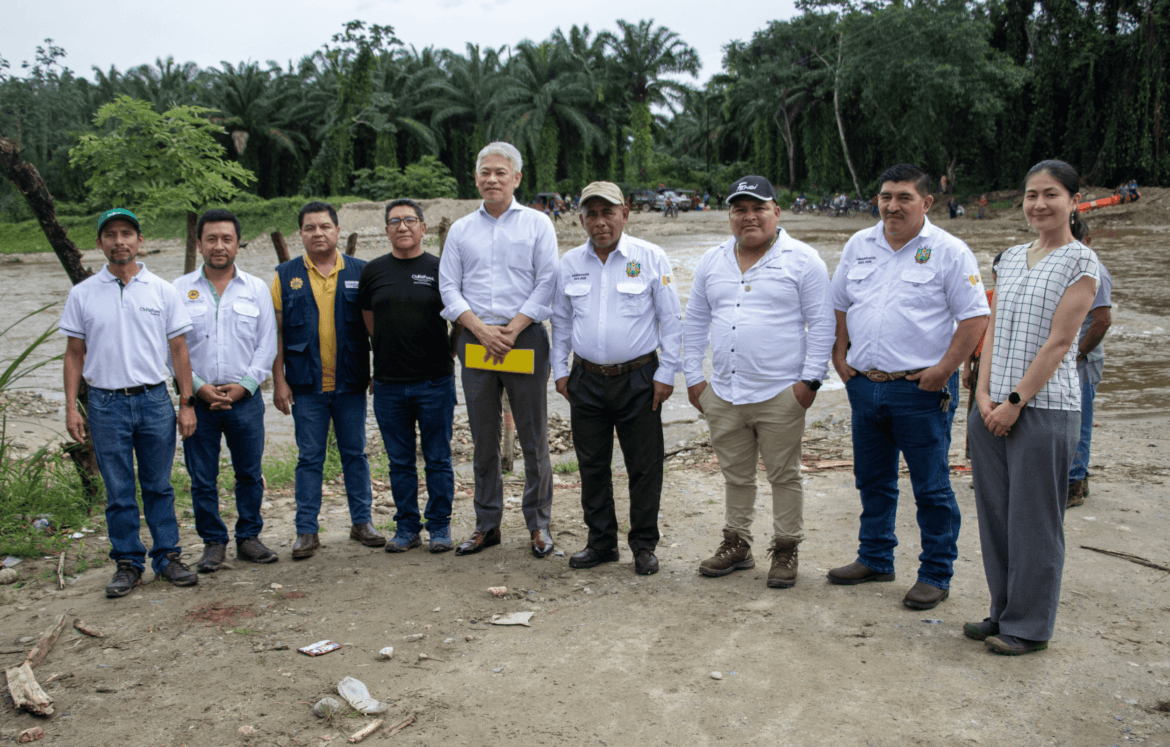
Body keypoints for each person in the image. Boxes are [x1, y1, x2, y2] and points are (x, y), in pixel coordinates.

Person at [828, 164, 989, 610]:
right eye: (885, 197)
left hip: (920, 392)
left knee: (932, 487)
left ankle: (936, 573)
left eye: (903, 197)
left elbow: (975, 317)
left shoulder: (949, 251)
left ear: (926, 202)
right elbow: (840, 304)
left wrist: (944, 370)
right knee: (872, 481)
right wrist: (840, 355)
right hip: (865, 387)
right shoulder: (860, 244)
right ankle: (875, 557)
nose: (892, 206)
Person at [967, 159, 1100, 656]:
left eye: (1051, 194)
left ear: (1072, 201)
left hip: (1044, 410)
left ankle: (1029, 626)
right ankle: (1003, 611)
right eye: (1031, 195)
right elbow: (993, 332)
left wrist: (1015, 402)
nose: (1039, 204)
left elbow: (1060, 344)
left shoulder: (1081, 263)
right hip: (989, 405)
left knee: (1036, 520)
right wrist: (982, 395)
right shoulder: (1009, 257)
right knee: (997, 515)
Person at [684, 175, 834, 588]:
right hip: (724, 391)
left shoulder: (803, 260)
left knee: (784, 475)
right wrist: (696, 379)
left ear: (776, 212)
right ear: (730, 215)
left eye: (758, 208)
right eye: (739, 209)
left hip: (780, 393)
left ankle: (786, 548)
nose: (749, 217)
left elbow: (822, 325)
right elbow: (695, 322)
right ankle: (737, 543)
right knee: (735, 474)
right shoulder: (712, 261)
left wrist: (809, 384)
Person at [60, 208, 199, 597]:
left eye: (126, 233)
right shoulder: (83, 293)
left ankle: (167, 556)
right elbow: (74, 353)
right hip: (105, 404)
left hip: (154, 399)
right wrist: (72, 407)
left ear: (139, 241)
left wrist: (185, 402)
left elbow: (179, 349)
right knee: (118, 488)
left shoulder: (161, 290)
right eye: (110, 234)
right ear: (99, 243)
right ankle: (127, 562)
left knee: (158, 485)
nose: (119, 241)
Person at [551, 181, 683, 576]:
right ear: (581, 220)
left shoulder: (650, 257)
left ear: (625, 213)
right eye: (591, 214)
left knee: (644, 466)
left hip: (639, 378)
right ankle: (601, 543)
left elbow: (672, 320)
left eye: (608, 212)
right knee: (592, 466)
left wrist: (667, 372)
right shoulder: (570, 263)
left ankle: (643, 545)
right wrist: (561, 373)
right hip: (586, 379)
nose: (600, 222)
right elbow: (560, 322)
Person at [439, 141, 559, 558]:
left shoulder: (538, 225)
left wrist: (513, 326)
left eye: (500, 173)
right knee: (483, 436)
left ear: (516, 179)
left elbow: (547, 281)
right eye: (485, 172)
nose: (492, 179)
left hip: (523, 337)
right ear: (476, 178)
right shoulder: (460, 230)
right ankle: (487, 524)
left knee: (533, 435)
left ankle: (539, 525)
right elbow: (448, 286)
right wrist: (477, 328)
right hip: (474, 340)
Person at [270, 201, 382, 560]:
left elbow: (374, 328)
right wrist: (279, 381)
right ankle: (306, 530)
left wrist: (379, 369)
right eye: (310, 228)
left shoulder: (361, 271)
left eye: (324, 227)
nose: (318, 233)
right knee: (309, 458)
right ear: (300, 234)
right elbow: (277, 333)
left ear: (337, 231)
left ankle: (361, 522)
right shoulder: (285, 275)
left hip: (350, 382)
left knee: (355, 454)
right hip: (306, 386)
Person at [173, 209, 279, 572]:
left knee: (249, 472)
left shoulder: (256, 289)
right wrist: (197, 388)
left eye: (227, 239)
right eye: (212, 239)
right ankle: (213, 543)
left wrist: (245, 385)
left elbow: (267, 343)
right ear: (200, 243)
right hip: (198, 401)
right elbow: (170, 347)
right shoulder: (178, 290)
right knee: (202, 477)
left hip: (245, 400)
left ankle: (249, 537)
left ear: (237, 244)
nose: (219, 246)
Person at [359, 199, 458, 554]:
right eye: (395, 221)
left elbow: (460, 317)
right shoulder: (373, 271)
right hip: (388, 384)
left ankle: (441, 527)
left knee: (438, 458)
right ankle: (406, 527)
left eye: (410, 220)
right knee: (399, 461)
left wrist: (450, 350)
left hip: (435, 381)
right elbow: (369, 319)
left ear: (423, 228)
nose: (402, 227)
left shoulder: (440, 268)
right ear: (386, 230)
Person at [1068, 239, 1111, 507]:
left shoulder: (1096, 272)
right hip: (1070, 357)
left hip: (1082, 360)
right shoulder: (1070, 271)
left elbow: (1103, 320)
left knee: (1079, 421)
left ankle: (1075, 483)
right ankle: (1077, 479)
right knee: (1070, 419)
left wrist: (1080, 353)